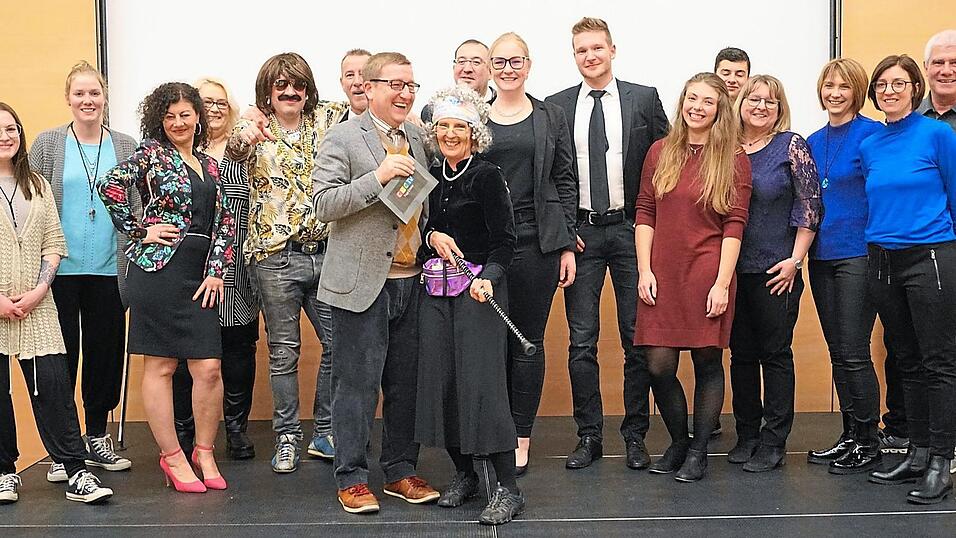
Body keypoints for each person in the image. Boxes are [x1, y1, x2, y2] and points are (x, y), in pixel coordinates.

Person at [313, 51, 439, 514]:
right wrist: (377, 176)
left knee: (406, 385)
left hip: (411, 282)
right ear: (368, 88)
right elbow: (324, 204)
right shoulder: (342, 137)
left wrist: (432, 236)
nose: (405, 94)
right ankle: (351, 477)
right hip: (361, 284)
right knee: (356, 386)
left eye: (411, 86)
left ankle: (401, 470)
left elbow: (418, 207)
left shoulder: (418, 139)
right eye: (396, 85)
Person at [98, 82, 235, 493]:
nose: (178, 122)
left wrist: (217, 270)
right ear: (160, 119)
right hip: (158, 272)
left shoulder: (210, 165)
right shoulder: (151, 154)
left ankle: (204, 452)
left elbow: (225, 223)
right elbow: (110, 185)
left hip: (201, 274)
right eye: (169, 116)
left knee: (208, 368)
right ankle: (172, 456)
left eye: (185, 114)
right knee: (161, 366)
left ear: (198, 117)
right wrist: (140, 230)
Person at [545, 17, 667, 471]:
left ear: (612, 50)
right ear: (573, 55)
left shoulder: (644, 99)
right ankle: (589, 435)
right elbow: (553, 176)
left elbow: (667, 163)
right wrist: (564, 230)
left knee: (636, 339)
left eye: (597, 48)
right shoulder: (556, 107)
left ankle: (635, 436)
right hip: (581, 235)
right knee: (581, 342)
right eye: (581, 50)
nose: (590, 56)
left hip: (632, 230)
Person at [226, 52, 347, 473]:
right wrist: (246, 126)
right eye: (281, 85)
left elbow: (365, 101)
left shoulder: (328, 120)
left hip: (326, 253)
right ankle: (287, 437)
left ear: (309, 90)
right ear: (268, 91)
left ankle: (325, 431)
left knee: (338, 344)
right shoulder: (253, 127)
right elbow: (234, 150)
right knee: (283, 352)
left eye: (298, 85)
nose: (290, 92)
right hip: (276, 257)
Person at [635, 73, 752, 482]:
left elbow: (735, 224)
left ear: (720, 111)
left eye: (707, 102)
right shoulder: (660, 151)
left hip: (707, 270)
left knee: (707, 361)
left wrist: (722, 283)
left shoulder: (733, 158)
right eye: (692, 98)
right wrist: (644, 269)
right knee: (658, 365)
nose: (697, 107)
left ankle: (699, 451)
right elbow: (645, 211)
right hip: (661, 270)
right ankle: (679, 442)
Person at [416, 86, 524, 524]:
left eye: (459, 127)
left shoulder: (487, 176)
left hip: (479, 294)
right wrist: (430, 236)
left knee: (482, 387)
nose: (450, 134)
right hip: (435, 294)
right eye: (443, 126)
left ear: (475, 133)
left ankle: (508, 488)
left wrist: (489, 278)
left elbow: (506, 241)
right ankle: (466, 475)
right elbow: (420, 233)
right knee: (442, 384)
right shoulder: (429, 175)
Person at [0, 102, 115, 504]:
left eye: (11, 128)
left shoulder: (37, 185)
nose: (5, 137)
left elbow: (53, 242)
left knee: (53, 387)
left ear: (20, 133)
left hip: (38, 305)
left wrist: (37, 291)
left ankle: (76, 471)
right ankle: (4, 472)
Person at [27, 61, 135, 481]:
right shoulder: (48, 144)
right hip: (58, 272)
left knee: (104, 357)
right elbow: (31, 201)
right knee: (61, 361)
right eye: (80, 94)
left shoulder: (125, 145)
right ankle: (65, 451)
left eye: (95, 93)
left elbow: (137, 203)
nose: (88, 100)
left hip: (109, 270)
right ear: (68, 99)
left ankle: (97, 437)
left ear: (105, 97)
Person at [482, 32, 577, 476]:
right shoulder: (475, 117)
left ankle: (521, 436)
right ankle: (493, 432)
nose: (508, 69)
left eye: (515, 61)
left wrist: (567, 243)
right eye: (499, 62)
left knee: (527, 341)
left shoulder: (550, 116)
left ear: (528, 64)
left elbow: (565, 180)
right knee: (490, 344)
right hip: (486, 247)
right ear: (489, 68)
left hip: (538, 245)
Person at [863, 54, 956, 504]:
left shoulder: (938, 134)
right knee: (906, 360)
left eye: (899, 83)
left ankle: (941, 460)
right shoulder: (871, 144)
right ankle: (917, 453)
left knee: (939, 362)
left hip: (931, 256)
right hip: (882, 260)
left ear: (915, 88)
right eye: (882, 84)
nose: (890, 91)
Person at [728, 75, 823, 472]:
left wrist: (795, 260)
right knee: (741, 356)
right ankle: (747, 434)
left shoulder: (790, 145)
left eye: (770, 101)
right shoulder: (726, 148)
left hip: (777, 270)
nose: (761, 106)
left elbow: (810, 206)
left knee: (775, 354)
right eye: (754, 99)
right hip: (732, 272)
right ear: (741, 104)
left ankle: (773, 441)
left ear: (780, 108)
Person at [172, 77, 260, 460]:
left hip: (238, 265)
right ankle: (185, 430)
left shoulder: (248, 151)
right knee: (185, 353)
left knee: (239, 348)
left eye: (221, 102)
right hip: (190, 266)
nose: (215, 109)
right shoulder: (181, 152)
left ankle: (236, 429)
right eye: (206, 102)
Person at [804, 58, 884, 474]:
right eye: (828, 86)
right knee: (838, 351)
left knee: (854, 351)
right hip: (821, 256)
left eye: (844, 86)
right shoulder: (812, 141)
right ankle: (850, 435)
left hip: (859, 254)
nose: (835, 93)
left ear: (857, 91)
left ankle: (869, 441)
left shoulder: (873, 135)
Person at [421, 39, 496, 124]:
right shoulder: (434, 110)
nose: (467, 69)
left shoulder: (502, 112)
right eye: (461, 62)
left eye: (476, 62)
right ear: (454, 68)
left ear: (490, 72)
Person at [917, 29, 956, 129]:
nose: (946, 71)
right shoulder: (908, 116)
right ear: (926, 68)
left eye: (954, 63)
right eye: (939, 63)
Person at [341, 49, 372, 121]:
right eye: (350, 75)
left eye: (363, 74)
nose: (357, 82)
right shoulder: (331, 126)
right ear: (342, 83)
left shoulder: (395, 123)